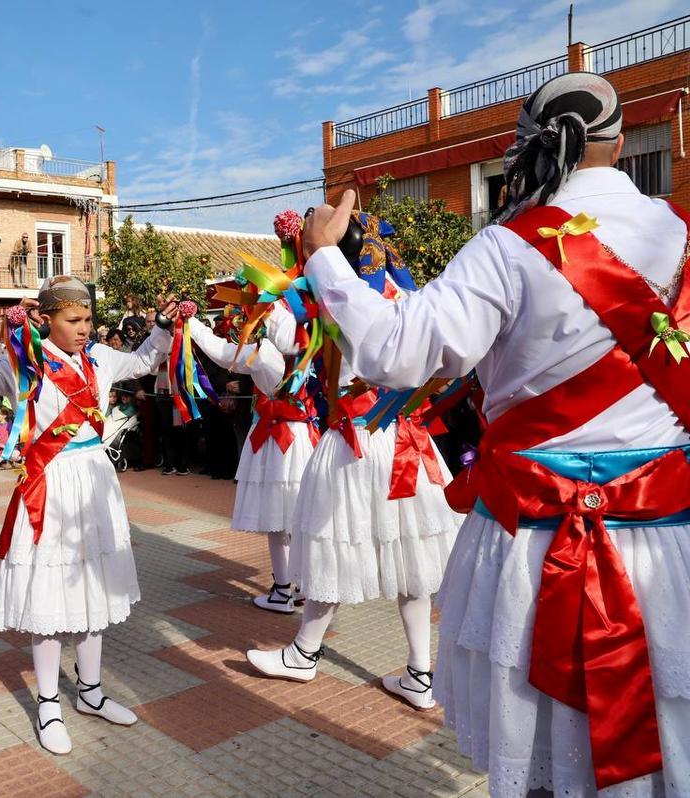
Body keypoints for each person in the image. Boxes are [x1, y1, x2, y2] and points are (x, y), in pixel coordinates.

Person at [293, 73, 690, 795]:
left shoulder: (507, 248)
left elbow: (395, 352)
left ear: (527, 149)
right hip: (670, 544)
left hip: (534, 543)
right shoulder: (685, 238)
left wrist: (324, 254)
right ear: (624, 143)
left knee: (545, 743)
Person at [246, 214, 461, 709]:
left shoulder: (334, 301)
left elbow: (278, 338)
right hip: (410, 441)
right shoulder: (409, 298)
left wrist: (286, 265)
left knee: (334, 547)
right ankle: (420, 674)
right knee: (413, 563)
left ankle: (304, 654)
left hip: (357, 441)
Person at [0, 276, 176, 756]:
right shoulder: (24, 363)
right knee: (50, 593)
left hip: (94, 479)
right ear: (46, 319)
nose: (83, 329)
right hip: (50, 483)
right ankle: (50, 703)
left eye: (87, 320)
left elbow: (142, 361)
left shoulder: (98, 357)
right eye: (72, 320)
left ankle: (91, 693)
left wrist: (163, 325)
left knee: (94, 583)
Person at [186, 304, 317, 611]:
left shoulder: (264, 352)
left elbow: (220, 351)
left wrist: (189, 320)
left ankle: (283, 590)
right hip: (305, 436)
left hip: (275, 438)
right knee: (300, 516)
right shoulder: (315, 345)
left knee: (276, 518)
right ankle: (303, 585)